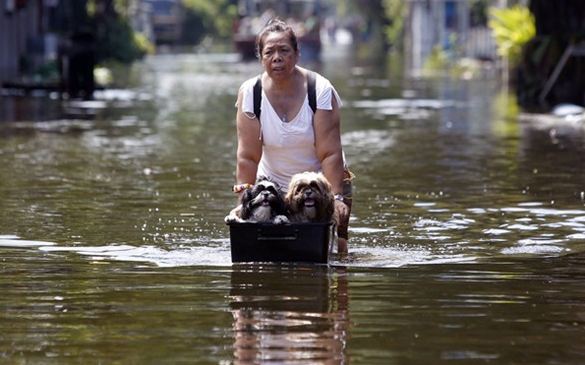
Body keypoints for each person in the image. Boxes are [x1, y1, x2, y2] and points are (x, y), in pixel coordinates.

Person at [232, 18, 352, 254]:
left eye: (284, 50)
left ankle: (342, 250)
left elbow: (330, 153)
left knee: (335, 255)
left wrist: (336, 198)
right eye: (270, 52)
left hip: (319, 185)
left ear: (297, 54)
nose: (277, 57)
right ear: (261, 58)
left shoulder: (320, 90)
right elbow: (247, 156)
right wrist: (243, 201)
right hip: (274, 186)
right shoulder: (251, 93)